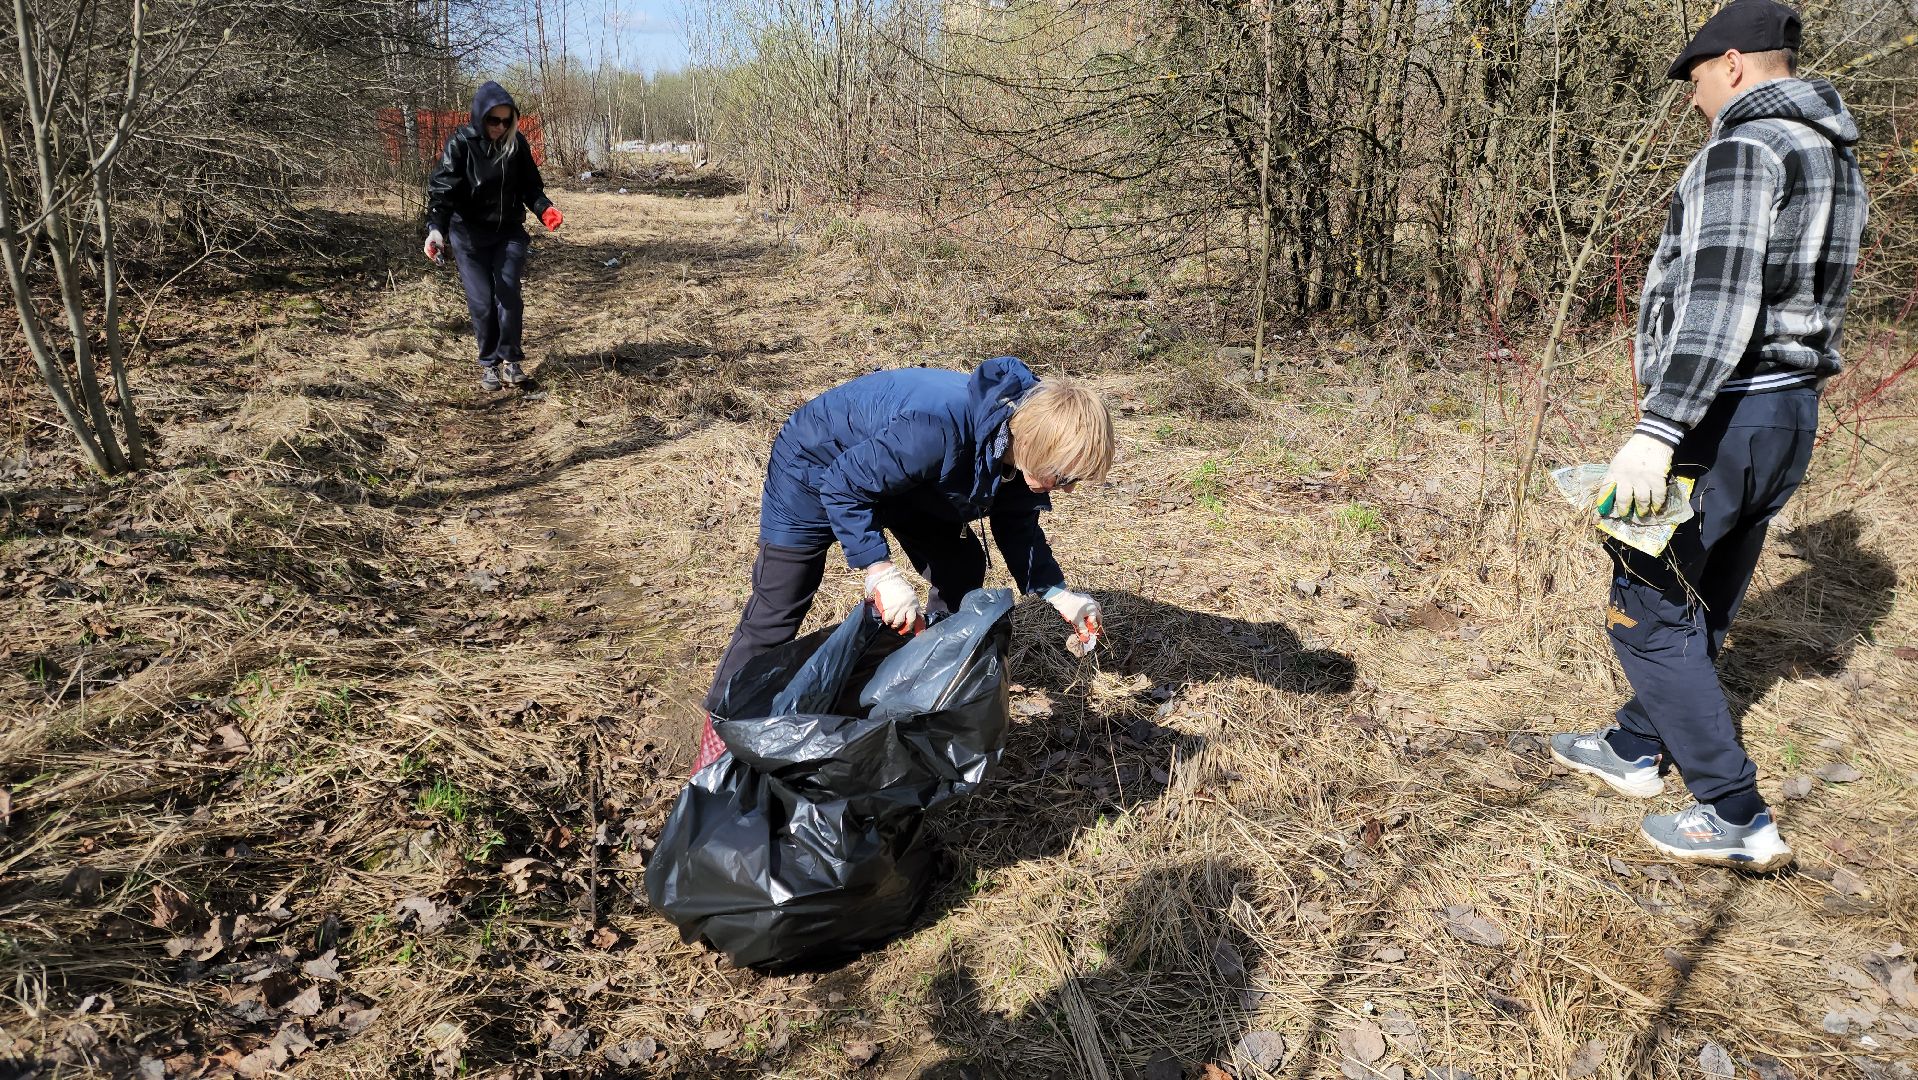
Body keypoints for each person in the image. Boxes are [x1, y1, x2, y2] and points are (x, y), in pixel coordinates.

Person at [1551, 0, 1868, 870]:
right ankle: (1632, 747)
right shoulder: (1834, 155)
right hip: (1787, 413)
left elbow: (1720, 307)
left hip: (1720, 413)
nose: (1694, 101)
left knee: (1646, 607)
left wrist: (1658, 430)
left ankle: (1734, 813)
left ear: (1731, 65)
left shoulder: (1744, 149)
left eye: (1694, 82)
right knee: (1708, 591)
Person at [693, 356, 1115, 769]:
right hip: (816, 463)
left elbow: (1017, 523)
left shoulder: (1020, 444)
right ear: (1035, 443)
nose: (1070, 490)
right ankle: (720, 730)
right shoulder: (939, 428)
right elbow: (844, 484)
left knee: (960, 567)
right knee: (780, 602)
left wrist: (1058, 594)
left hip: (910, 481)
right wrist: (880, 571)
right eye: (1064, 477)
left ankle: (923, 683)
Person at [423, 81, 563, 392]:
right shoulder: (460, 144)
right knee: (482, 303)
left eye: (506, 120)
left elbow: (530, 187)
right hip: (469, 236)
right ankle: (490, 363)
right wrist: (435, 229)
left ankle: (511, 361)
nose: (500, 127)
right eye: (493, 120)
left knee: (508, 293)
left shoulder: (517, 144)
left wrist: (544, 209)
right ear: (479, 117)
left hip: (508, 233)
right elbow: (442, 192)